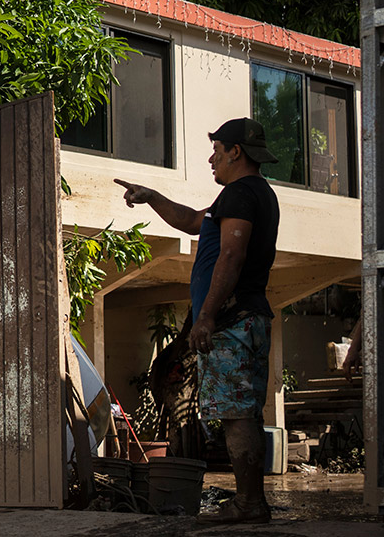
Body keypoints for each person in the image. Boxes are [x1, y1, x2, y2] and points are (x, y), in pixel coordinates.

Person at [114, 117, 280, 525]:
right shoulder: (245, 196)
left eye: (217, 151)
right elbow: (192, 221)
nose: (211, 159)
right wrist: (152, 196)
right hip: (243, 317)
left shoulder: (242, 194)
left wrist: (205, 315)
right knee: (241, 411)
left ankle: (249, 503)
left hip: (233, 319)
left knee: (237, 414)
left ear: (235, 152)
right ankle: (251, 501)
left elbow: (231, 256)